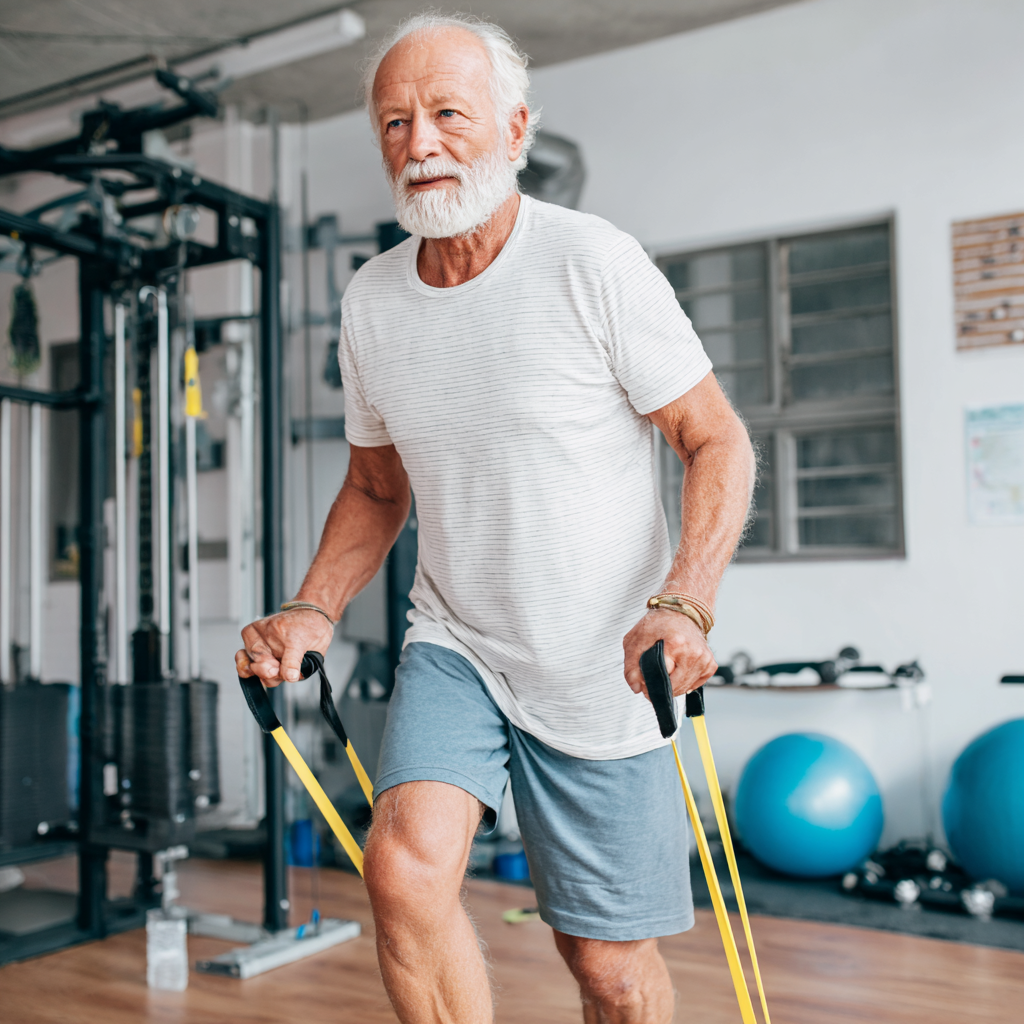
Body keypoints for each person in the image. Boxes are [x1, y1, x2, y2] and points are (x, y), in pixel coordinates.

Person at [236, 13, 755, 1024]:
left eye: (444, 114)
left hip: (606, 658)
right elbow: (379, 487)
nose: (417, 143)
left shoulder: (590, 263)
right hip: (459, 640)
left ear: (513, 130)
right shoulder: (371, 300)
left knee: (604, 965)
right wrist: (312, 605)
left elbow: (716, 440)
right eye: (393, 122)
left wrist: (686, 603)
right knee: (402, 868)